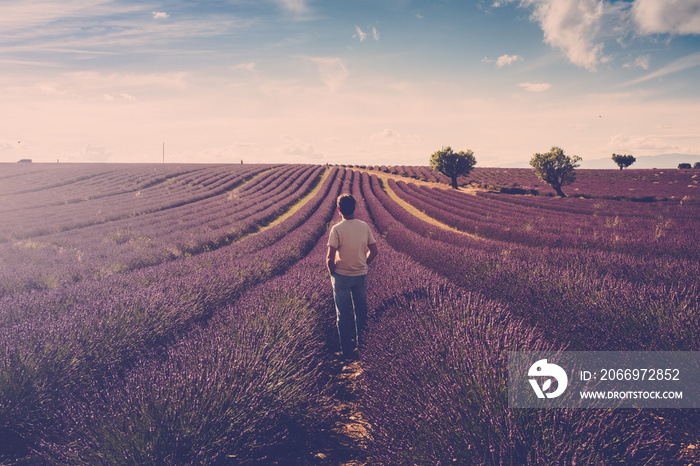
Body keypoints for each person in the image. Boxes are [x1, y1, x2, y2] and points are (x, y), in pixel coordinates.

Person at [326, 193, 378, 359]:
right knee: (361, 312)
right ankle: (363, 347)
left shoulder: (337, 229)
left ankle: (347, 351)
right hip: (360, 274)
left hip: (341, 276)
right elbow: (374, 251)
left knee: (342, 314)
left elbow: (329, 258)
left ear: (339, 209)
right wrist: (364, 263)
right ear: (354, 208)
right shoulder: (364, 226)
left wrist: (332, 273)